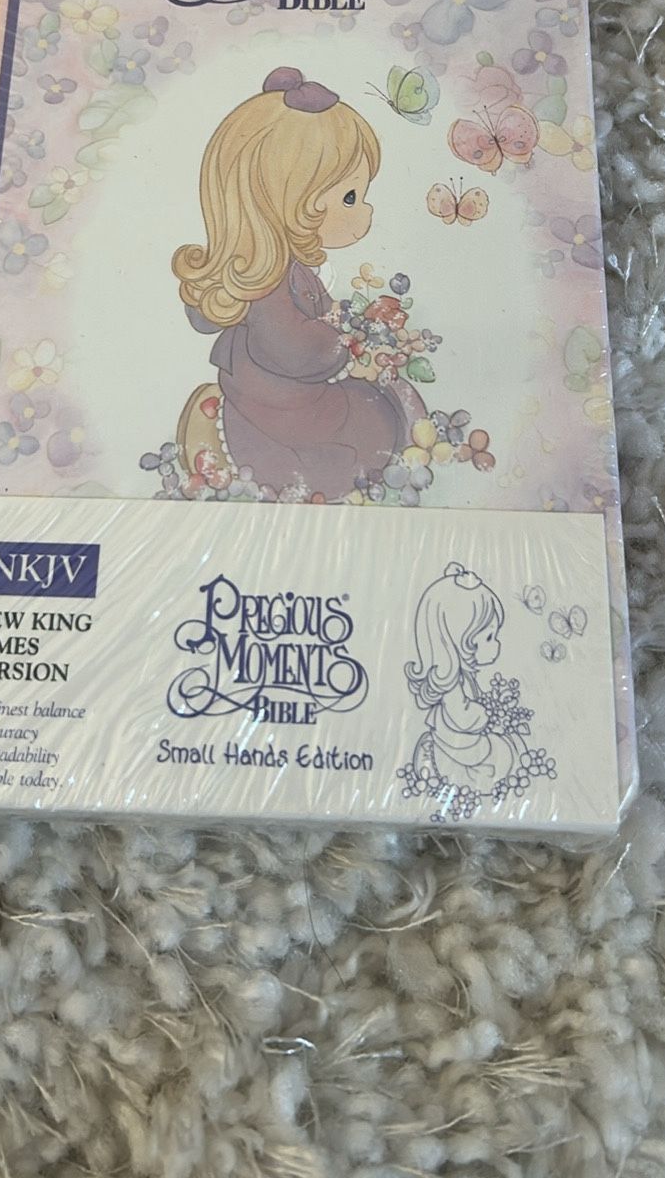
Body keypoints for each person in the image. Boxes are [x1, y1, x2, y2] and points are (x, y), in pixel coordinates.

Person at [173, 66, 424, 499]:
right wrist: (347, 343)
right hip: (281, 418)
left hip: (285, 398)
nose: (364, 211)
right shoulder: (266, 285)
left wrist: (345, 324)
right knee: (379, 421)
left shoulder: (276, 267)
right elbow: (298, 351)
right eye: (350, 197)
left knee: (381, 400)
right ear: (292, 203)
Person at [404, 561, 515, 793]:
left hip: (462, 739)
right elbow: (462, 716)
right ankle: (446, 772)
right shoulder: (452, 684)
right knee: (502, 755)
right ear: (462, 641)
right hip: (458, 743)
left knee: (504, 750)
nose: (497, 644)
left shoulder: (460, 676)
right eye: (489, 637)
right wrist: (484, 714)